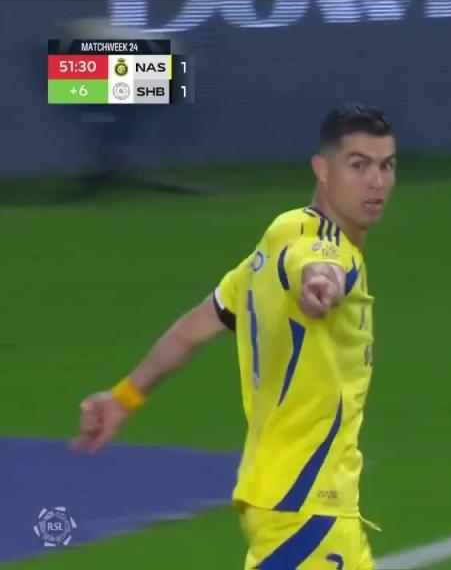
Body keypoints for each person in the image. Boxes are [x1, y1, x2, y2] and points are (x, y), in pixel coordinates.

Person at [71, 104, 397, 569]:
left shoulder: (276, 240)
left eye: (387, 166)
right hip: (307, 510)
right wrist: (318, 282)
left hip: (297, 504)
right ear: (323, 170)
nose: (377, 182)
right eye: (358, 166)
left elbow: (192, 330)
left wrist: (123, 398)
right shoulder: (321, 246)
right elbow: (316, 262)